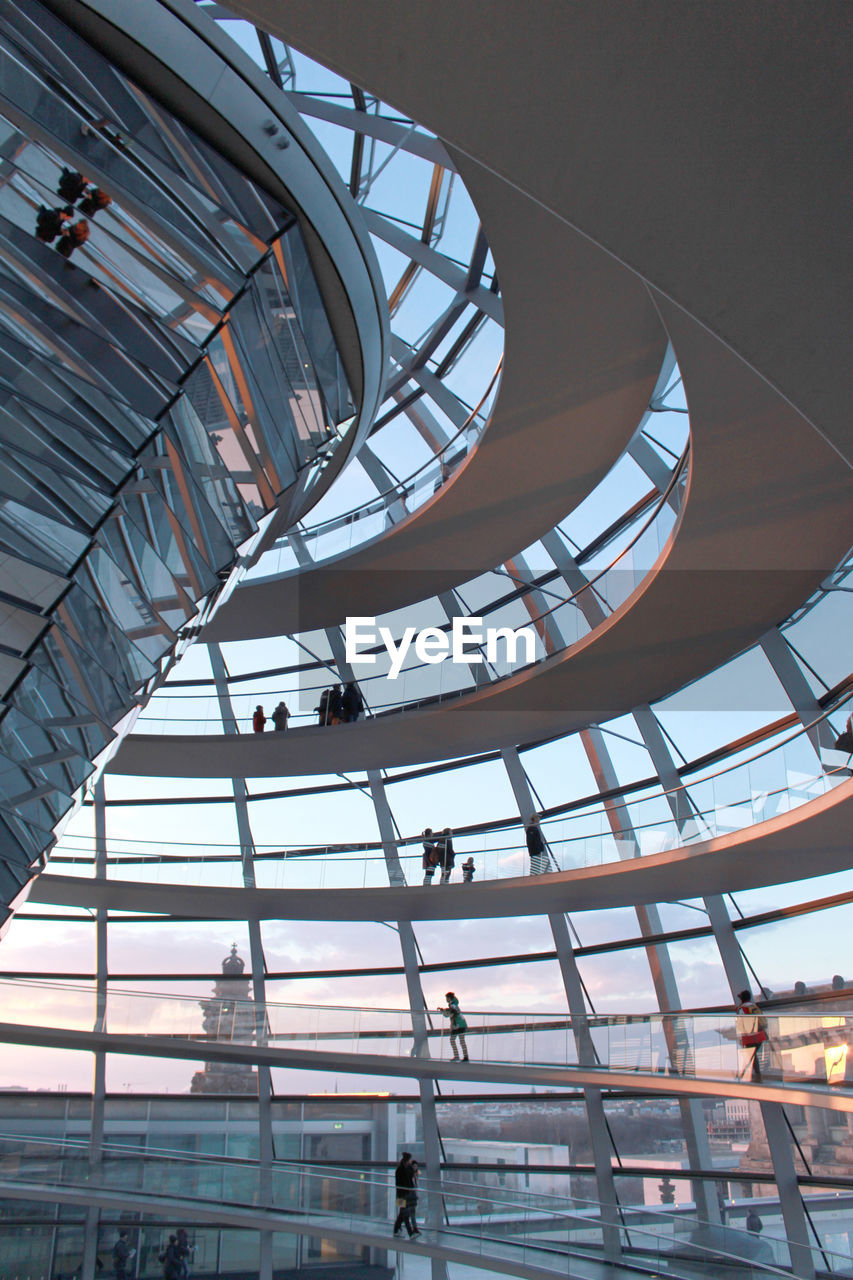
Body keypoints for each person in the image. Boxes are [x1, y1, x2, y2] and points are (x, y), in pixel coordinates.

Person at [736, 989, 768, 1082]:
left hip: (750, 1037)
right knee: (752, 1056)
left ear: (741, 999)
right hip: (760, 1036)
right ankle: (754, 1075)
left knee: (750, 1056)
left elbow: (741, 1024)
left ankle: (745, 1076)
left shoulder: (742, 1009)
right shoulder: (754, 1006)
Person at [392, 1150, 421, 1238]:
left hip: (400, 1195)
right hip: (404, 1194)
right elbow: (408, 1180)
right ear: (407, 1160)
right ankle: (410, 1233)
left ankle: (396, 1230)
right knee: (405, 1213)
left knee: (402, 1212)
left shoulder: (400, 1169)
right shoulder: (404, 1170)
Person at [439, 991, 469, 1061]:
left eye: (446, 998)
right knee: (461, 1041)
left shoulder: (452, 1005)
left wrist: (443, 1012)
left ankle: (458, 1056)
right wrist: (444, 1011)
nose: (446, 999)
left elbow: (451, 1013)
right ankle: (465, 1056)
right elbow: (451, 1013)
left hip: (458, 1025)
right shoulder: (453, 1004)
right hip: (461, 1024)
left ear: (449, 998)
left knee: (453, 1040)